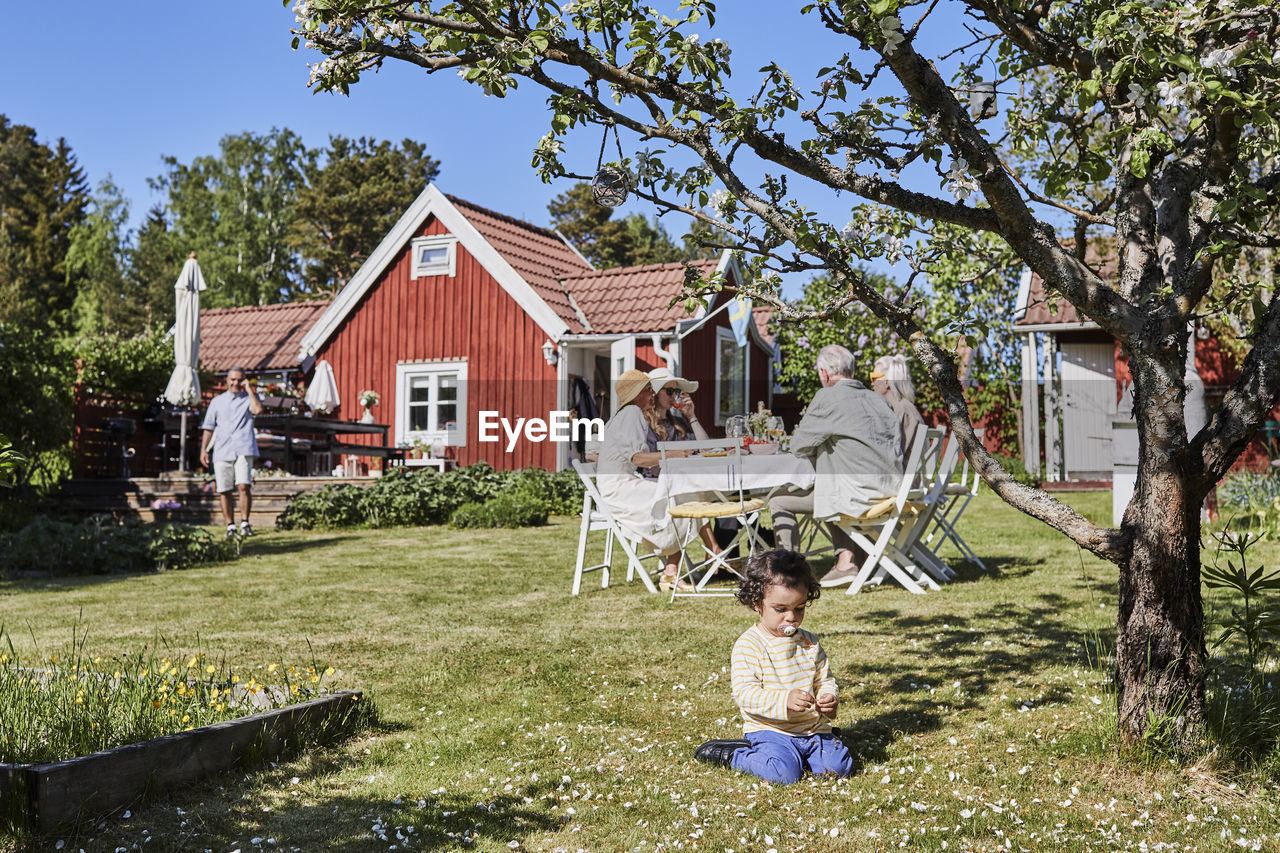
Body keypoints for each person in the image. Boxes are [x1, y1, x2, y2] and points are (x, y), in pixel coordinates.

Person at [693, 549, 854, 784]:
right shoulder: (750, 645)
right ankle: (735, 755)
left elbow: (824, 679)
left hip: (812, 729)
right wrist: (783, 700)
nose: (791, 617)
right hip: (770, 731)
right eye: (780, 609)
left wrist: (829, 696)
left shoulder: (809, 642)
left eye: (799, 608)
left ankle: (811, 753)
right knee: (783, 775)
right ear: (757, 603)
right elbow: (745, 695)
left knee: (839, 769)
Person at [768, 344, 904, 588]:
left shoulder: (827, 397)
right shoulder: (879, 400)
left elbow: (798, 446)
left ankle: (789, 573)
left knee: (779, 499)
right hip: (891, 492)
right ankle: (849, 559)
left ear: (824, 372)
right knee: (831, 478)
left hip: (856, 496)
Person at [597, 369, 712, 592]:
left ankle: (672, 572)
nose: (652, 393)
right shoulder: (631, 413)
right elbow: (638, 458)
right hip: (620, 489)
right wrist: (674, 454)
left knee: (683, 495)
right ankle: (677, 569)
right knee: (680, 497)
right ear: (636, 393)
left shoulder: (628, 414)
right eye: (648, 389)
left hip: (624, 484)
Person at [199, 367, 264, 537]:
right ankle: (230, 526)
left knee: (243, 485)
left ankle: (245, 523)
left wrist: (249, 389)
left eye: (239, 380)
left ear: (243, 381)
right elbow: (208, 428)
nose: (235, 383)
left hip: (243, 447)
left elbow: (257, 410)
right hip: (222, 449)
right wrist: (204, 450)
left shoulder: (247, 399)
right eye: (232, 379)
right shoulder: (216, 402)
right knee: (224, 489)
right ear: (226, 381)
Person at [872, 354, 924, 459]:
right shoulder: (903, 407)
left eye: (873, 378)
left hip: (900, 474)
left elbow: (893, 455)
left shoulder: (901, 410)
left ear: (886, 381)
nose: (872, 384)